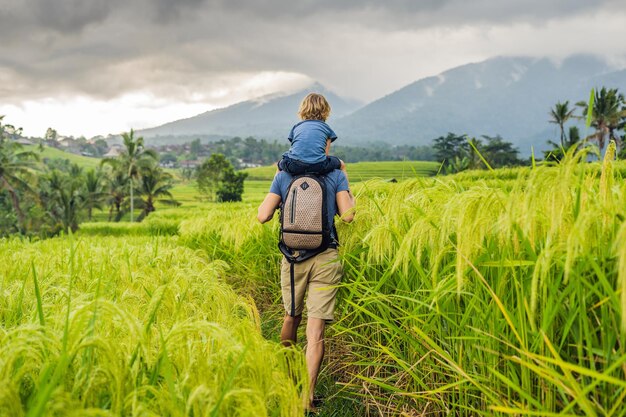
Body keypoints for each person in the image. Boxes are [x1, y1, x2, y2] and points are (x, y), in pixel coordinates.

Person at [257, 167, 355, 412]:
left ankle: (291, 384)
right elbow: (348, 216)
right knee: (316, 328)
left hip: (292, 258)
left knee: (291, 317)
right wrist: (345, 176)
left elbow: (262, 216)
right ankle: (307, 398)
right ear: (326, 141)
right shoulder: (336, 173)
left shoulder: (283, 174)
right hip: (326, 257)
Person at [278, 93, 350, 186]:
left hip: (295, 166)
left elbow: (295, 150)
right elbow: (325, 155)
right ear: (325, 110)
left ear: (303, 109)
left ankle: (275, 193)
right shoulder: (326, 128)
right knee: (342, 164)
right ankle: (350, 195)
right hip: (318, 166)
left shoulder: (297, 127)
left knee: (279, 165)